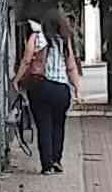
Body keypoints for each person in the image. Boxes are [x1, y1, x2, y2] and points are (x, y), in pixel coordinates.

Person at [21, 10, 74, 176]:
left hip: (42, 86)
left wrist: (17, 79)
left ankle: (47, 165)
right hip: (61, 89)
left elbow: (27, 60)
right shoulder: (64, 40)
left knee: (44, 125)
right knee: (59, 124)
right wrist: (77, 88)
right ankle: (57, 160)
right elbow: (71, 66)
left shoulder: (36, 37)